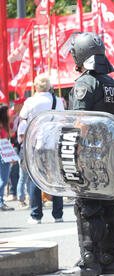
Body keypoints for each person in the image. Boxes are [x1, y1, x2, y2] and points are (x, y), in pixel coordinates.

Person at [60, 32, 114, 276]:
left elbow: (81, 123)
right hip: (111, 156)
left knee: (87, 207)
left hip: (89, 156)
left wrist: (72, 155)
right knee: (108, 205)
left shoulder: (85, 83)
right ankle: (111, 259)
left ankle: (90, 261)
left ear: (80, 55)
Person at [19, 74, 64, 223]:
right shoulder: (57, 101)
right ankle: (58, 215)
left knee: (35, 178)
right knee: (56, 178)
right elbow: (63, 119)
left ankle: (36, 214)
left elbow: (22, 116)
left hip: (36, 143)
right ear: (49, 86)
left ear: (36, 86)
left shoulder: (31, 101)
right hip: (53, 142)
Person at [0, 105, 15, 211]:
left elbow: (10, 135)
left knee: (3, 180)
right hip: (2, 155)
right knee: (3, 180)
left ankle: (1, 201)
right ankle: (0, 202)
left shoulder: (5, 125)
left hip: (4, 154)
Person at [16, 118, 30, 209]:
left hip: (29, 150)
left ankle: (29, 198)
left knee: (29, 178)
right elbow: (22, 137)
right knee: (23, 177)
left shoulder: (29, 122)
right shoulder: (23, 123)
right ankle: (21, 199)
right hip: (24, 150)